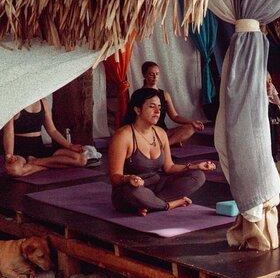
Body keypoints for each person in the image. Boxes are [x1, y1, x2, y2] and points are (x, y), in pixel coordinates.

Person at [108, 88, 215, 216]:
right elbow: (115, 178)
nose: (158, 111)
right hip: (131, 190)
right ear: (137, 110)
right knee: (134, 193)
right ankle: (170, 204)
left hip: (157, 186)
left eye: (159, 107)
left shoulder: (160, 133)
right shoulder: (123, 136)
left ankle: (150, 204)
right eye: (152, 107)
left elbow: (169, 167)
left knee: (198, 175)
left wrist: (196, 166)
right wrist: (128, 178)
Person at [2, 99, 88, 177]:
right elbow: (9, 133)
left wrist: (70, 146)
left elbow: (52, 130)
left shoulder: (43, 102)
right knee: (13, 170)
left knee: (81, 159)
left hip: (39, 148)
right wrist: (9, 154)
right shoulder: (14, 104)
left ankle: (36, 162)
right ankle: (43, 167)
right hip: (21, 150)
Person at [140, 61, 205, 146]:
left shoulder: (165, 95)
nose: (155, 77)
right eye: (151, 74)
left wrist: (192, 122)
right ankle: (167, 144)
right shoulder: (139, 95)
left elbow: (175, 116)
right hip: (145, 133)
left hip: (163, 132)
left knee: (190, 128)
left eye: (157, 74)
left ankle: (165, 145)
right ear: (144, 75)